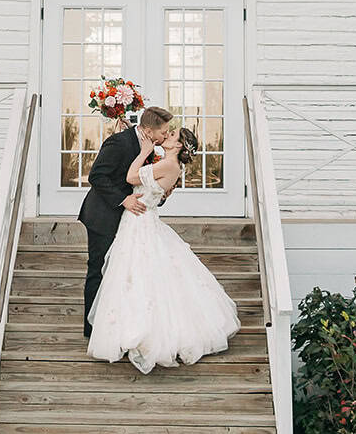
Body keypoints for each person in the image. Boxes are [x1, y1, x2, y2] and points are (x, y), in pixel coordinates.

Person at [85, 126, 241, 373]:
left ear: (179, 145)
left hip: (140, 222)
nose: (166, 136)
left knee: (138, 274)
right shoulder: (168, 164)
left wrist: (144, 151)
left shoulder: (168, 164)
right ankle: (126, 328)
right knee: (133, 277)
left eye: (172, 135)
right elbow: (155, 191)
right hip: (138, 219)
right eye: (166, 133)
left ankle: (144, 333)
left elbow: (131, 178)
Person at [78, 105, 173, 339]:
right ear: (150, 131)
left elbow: (142, 184)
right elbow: (96, 176)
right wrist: (123, 200)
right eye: (164, 131)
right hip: (103, 215)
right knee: (98, 269)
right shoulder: (119, 142)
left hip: (129, 220)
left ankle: (114, 324)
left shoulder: (149, 148)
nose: (166, 136)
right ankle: (92, 330)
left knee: (119, 272)